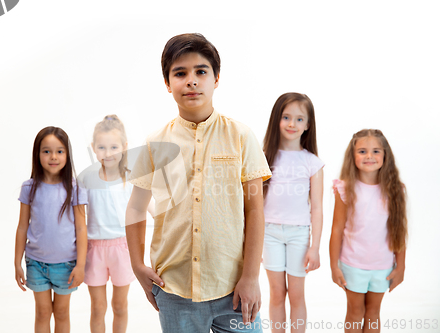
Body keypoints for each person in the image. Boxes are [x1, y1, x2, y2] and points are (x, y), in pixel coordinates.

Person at [125, 33, 272, 333]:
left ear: (216, 79)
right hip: (174, 290)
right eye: (180, 73)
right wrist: (138, 266)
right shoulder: (155, 143)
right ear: (168, 84)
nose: (191, 80)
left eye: (201, 72)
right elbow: (136, 208)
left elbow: (255, 210)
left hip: (233, 288)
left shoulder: (241, 137)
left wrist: (251, 277)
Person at [329, 129, 407, 333]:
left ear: (385, 156)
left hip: (382, 266)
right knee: (355, 311)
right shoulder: (345, 189)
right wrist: (334, 266)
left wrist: (401, 266)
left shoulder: (395, 190)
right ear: (352, 155)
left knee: (373, 312)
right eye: (362, 151)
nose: (369, 156)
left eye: (376, 151)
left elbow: (399, 230)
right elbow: (336, 230)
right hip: (353, 264)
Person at [14, 126, 87, 333]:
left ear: (67, 155)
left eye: (59, 151)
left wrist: (80, 265)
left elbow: (81, 228)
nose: (53, 156)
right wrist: (17, 262)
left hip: (66, 265)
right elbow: (21, 227)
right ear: (37, 155)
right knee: (43, 312)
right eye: (46, 151)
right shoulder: (29, 187)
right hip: (36, 263)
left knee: (62, 313)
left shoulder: (75, 188)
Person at [262, 93, 323, 333]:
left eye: (299, 119)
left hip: (299, 234)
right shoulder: (264, 156)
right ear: (277, 119)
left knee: (297, 295)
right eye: (286, 117)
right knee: (277, 293)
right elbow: (253, 203)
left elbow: (317, 208)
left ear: (308, 125)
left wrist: (314, 246)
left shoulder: (312, 163)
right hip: (269, 233)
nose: (291, 124)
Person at [78, 115, 141, 333]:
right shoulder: (85, 178)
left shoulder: (131, 178)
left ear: (124, 147)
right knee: (98, 307)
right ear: (93, 148)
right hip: (94, 249)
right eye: (102, 147)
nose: (108, 152)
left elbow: (146, 207)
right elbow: (75, 213)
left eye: (114, 146)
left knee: (119, 305)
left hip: (122, 248)